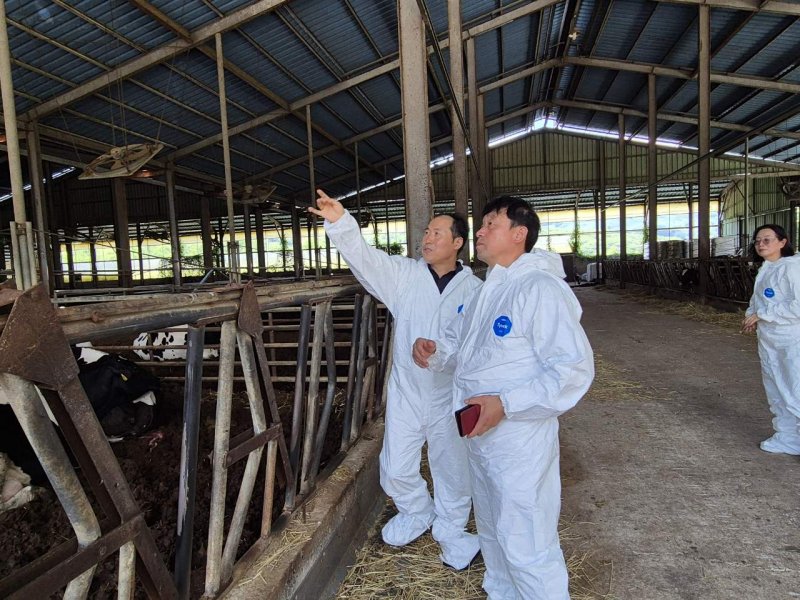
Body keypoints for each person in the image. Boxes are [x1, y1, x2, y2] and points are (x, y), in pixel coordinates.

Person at [413, 196, 594, 599]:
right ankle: (502, 592)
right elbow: (465, 349)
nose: (479, 232)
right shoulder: (489, 290)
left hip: (519, 441)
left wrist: (507, 403)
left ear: (519, 233)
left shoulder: (540, 288)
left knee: (525, 539)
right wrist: (435, 351)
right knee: (494, 530)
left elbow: (572, 370)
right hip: (481, 434)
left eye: (490, 224)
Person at [308, 189, 482, 569]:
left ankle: (452, 529)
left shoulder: (475, 291)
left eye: (437, 233)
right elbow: (366, 260)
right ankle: (417, 511)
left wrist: (439, 353)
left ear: (457, 243)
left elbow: (472, 345)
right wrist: (341, 223)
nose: (427, 238)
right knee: (396, 467)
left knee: (452, 469)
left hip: (449, 394)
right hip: (407, 390)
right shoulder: (405, 275)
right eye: (426, 232)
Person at [742, 224, 800, 455]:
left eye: (767, 239)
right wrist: (752, 315)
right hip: (769, 340)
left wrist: (763, 314)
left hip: (791, 339)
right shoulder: (767, 269)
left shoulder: (792, 268)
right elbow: (757, 301)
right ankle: (788, 437)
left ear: (782, 242)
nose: (761, 244)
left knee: (795, 387)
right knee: (777, 388)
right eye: (757, 241)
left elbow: (798, 305)